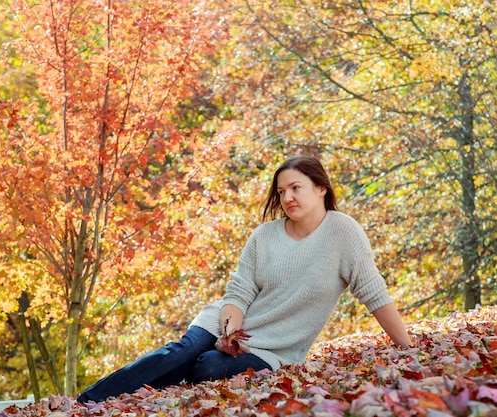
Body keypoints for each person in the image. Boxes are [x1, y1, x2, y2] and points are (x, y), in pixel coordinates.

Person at [76, 155, 413, 403]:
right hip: (226, 324)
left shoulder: (343, 232)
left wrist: (408, 348)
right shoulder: (264, 235)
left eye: (296, 188)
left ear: (321, 188)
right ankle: (88, 400)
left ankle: (173, 374)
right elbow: (238, 292)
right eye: (281, 192)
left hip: (274, 350)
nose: (288, 198)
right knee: (179, 352)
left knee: (207, 368)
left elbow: (374, 294)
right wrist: (228, 334)